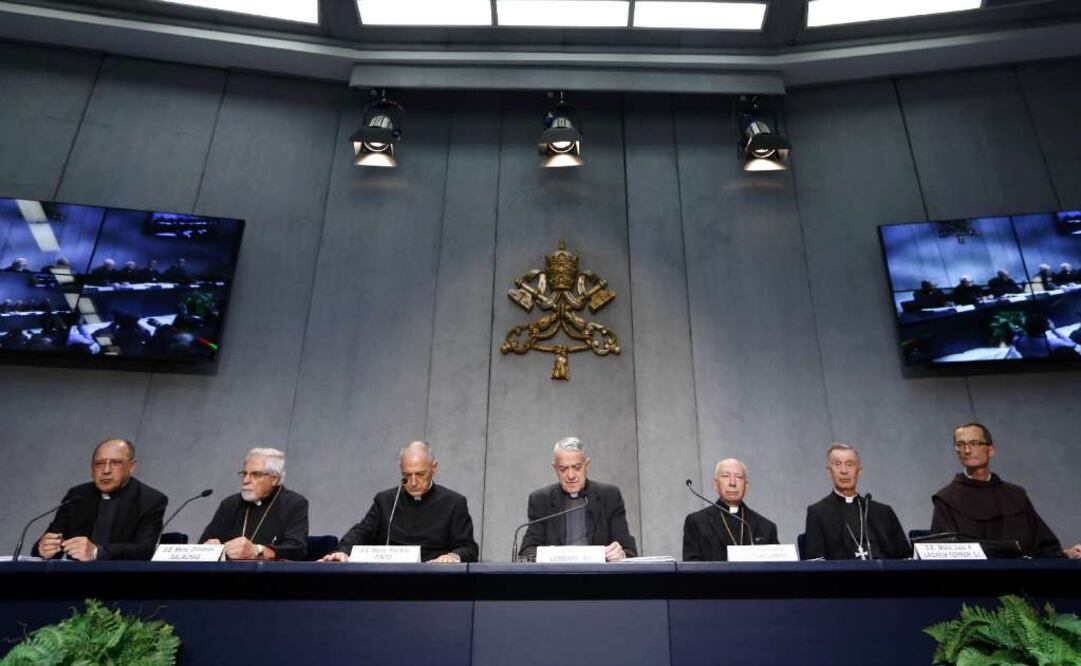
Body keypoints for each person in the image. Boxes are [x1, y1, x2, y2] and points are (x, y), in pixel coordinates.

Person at [931, 423, 1081, 558]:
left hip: (1020, 580)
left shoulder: (1015, 495)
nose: (967, 450)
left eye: (974, 443)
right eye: (960, 444)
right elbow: (943, 553)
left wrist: (1066, 554)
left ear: (991, 450)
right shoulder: (946, 499)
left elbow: (1042, 546)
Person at [321, 441, 477, 563]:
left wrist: (453, 556)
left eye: (420, 474)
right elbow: (360, 534)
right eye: (407, 475)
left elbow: (468, 548)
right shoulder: (386, 500)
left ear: (434, 468)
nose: (413, 482)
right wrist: (342, 551)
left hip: (434, 578)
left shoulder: (454, 503)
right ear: (400, 468)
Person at [32, 438, 167, 561]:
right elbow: (49, 542)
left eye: (115, 463)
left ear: (131, 466)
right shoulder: (77, 496)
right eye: (99, 464)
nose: (106, 470)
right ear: (92, 469)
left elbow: (145, 550)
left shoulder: (150, 500)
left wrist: (97, 552)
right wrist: (44, 549)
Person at [518, 436, 637, 562]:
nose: (571, 475)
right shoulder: (541, 500)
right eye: (563, 469)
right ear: (555, 468)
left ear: (587, 465)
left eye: (577, 467)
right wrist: (551, 554)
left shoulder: (609, 496)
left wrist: (620, 554)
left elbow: (629, 550)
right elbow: (527, 551)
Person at [803, 443, 910, 560]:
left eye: (850, 464)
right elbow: (816, 562)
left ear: (859, 472)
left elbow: (906, 557)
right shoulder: (818, 512)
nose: (844, 471)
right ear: (829, 472)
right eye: (837, 464)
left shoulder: (883, 512)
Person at [200, 448, 308, 561]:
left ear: (274, 479)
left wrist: (257, 551)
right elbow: (202, 544)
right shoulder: (230, 504)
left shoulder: (294, 503)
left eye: (255, 475)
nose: (246, 480)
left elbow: (297, 549)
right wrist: (208, 548)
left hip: (269, 575)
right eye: (244, 474)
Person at [682, 458, 778, 561]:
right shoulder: (697, 522)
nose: (732, 483)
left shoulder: (766, 527)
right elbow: (692, 567)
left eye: (739, 477)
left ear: (746, 486)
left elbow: (779, 569)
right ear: (716, 484)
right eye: (725, 476)